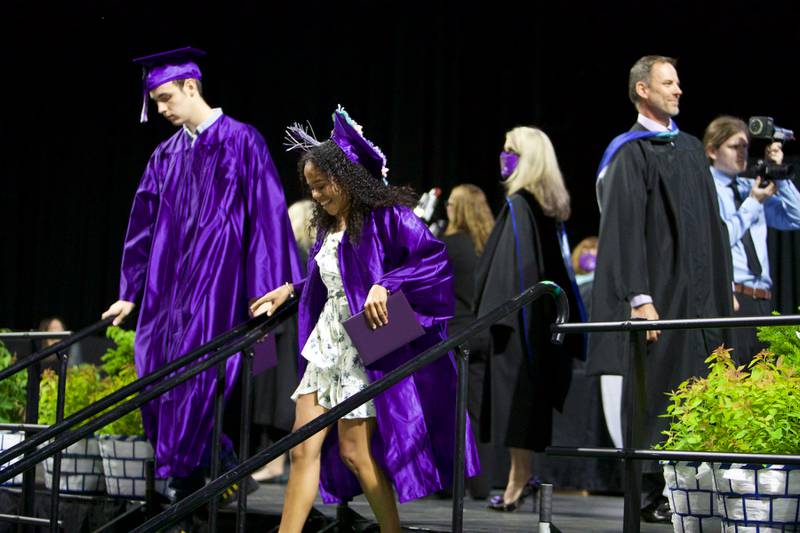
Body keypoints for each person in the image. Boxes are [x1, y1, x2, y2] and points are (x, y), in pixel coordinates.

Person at [250, 106, 479, 533]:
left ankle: (392, 531)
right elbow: (331, 281)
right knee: (301, 449)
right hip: (327, 345)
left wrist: (387, 284)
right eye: (311, 188)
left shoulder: (389, 217)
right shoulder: (326, 228)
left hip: (366, 344)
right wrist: (292, 290)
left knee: (356, 452)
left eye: (322, 186)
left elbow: (433, 261)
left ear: (348, 177)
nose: (316, 195)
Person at [101, 47, 302, 506]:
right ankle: (213, 466)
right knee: (153, 370)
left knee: (199, 376)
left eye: (167, 97)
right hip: (164, 292)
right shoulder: (165, 155)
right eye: (156, 101)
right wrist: (130, 292)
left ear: (192, 87)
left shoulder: (242, 141)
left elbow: (268, 216)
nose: (161, 109)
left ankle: (185, 476)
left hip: (218, 287)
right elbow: (142, 227)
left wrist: (271, 285)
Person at [588, 55, 733, 523]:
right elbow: (625, 230)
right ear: (642, 91)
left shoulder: (690, 149)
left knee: (700, 383)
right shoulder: (630, 151)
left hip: (700, 296)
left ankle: (695, 490)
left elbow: (713, 225)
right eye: (668, 83)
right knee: (658, 392)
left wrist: (721, 283)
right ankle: (652, 491)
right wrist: (640, 298)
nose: (678, 90)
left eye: (679, 82)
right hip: (659, 297)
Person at [474, 126, 585, 512]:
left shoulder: (522, 205)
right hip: (542, 321)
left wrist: (493, 317)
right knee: (526, 405)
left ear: (528, 158)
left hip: (521, 324)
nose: (502, 156)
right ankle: (519, 478)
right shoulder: (548, 208)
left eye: (510, 150)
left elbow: (511, 269)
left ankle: (518, 482)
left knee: (519, 403)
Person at [703, 115, 800, 363]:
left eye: (745, 146)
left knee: (765, 387)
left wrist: (779, 177)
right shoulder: (706, 189)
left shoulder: (750, 185)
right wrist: (753, 204)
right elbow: (719, 240)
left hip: (763, 299)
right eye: (734, 147)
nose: (742, 154)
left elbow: (796, 217)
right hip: (732, 298)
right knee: (733, 384)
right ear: (712, 151)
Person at [251, 199, 315, 484]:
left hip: (281, 334)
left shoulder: (297, 255)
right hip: (272, 334)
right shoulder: (296, 255)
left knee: (276, 398)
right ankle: (272, 460)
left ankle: (275, 462)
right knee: (269, 398)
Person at [441, 183, 495, 500]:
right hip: (486, 333)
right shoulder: (490, 247)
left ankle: (452, 482)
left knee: (450, 410)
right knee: (478, 411)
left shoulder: (448, 245)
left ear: (457, 209)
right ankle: (482, 484)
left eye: (450, 204)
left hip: (455, 334)